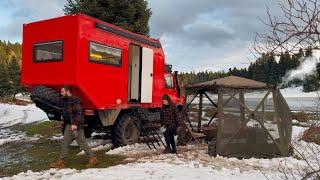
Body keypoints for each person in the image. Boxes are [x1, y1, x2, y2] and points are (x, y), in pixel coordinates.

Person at [50, 85, 97, 168]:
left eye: (62, 91)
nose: (61, 93)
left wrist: (75, 124)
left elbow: (79, 113)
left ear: (68, 91)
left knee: (81, 143)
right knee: (65, 143)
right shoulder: (65, 100)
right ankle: (61, 162)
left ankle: (93, 158)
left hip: (76, 125)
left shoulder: (75, 100)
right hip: (69, 125)